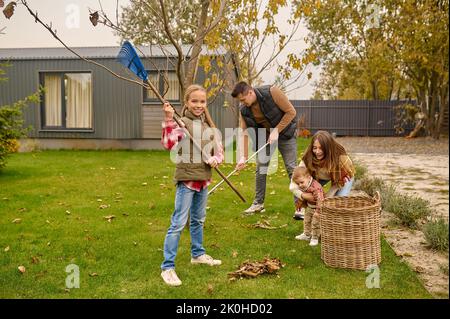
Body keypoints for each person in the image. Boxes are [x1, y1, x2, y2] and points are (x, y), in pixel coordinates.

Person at [160, 84, 223, 287]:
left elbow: (218, 151)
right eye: (194, 101)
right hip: (187, 180)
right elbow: (168, 144)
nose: (198, 105)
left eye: (202, 101)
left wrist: (216, 159)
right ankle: (167, 267)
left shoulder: (207, 127)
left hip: (203, 179)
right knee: (178, 223)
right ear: (187, 102)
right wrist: (169, 119)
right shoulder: (182, 123)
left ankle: (198, 254)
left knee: (198, 220)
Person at [232, 81, 298, 215]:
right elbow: (244, 133)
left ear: (250, 92)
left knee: (292, 169)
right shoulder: (244, 109)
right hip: (265, 138)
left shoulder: (271, 92)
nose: (242, 103)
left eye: (243, 99)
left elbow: (291, 112)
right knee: (261, 168)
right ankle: (258, 203)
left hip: (285, 134)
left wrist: (277, 131)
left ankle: (300, 206)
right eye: (240, 101)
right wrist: (243, 157)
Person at [290, 130, 355, 221]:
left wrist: (326, 198)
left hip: (341, 178)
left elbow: (338, 184)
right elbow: (293, 183)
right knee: (302, 182)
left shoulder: (341, 158)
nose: (317, 152)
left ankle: (332, 225)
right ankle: (301, 212)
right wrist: (304, 195)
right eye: (315, 148)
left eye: (321, 148)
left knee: (337, 203)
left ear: (328, 148)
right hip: (318, 176)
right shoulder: (308, 157)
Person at [289, 166, 324, 246]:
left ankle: (315, 237)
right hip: (309, 207)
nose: (300, 185)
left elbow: (320, 200)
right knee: (307, 220)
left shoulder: (315, 187)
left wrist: (318, 211)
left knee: (315, 223)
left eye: (301, 182)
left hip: (317, 208)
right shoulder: (305, 184)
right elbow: (304, 196)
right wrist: (300, 203)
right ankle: (307, 234)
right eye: (298, 184)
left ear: (308, 177)